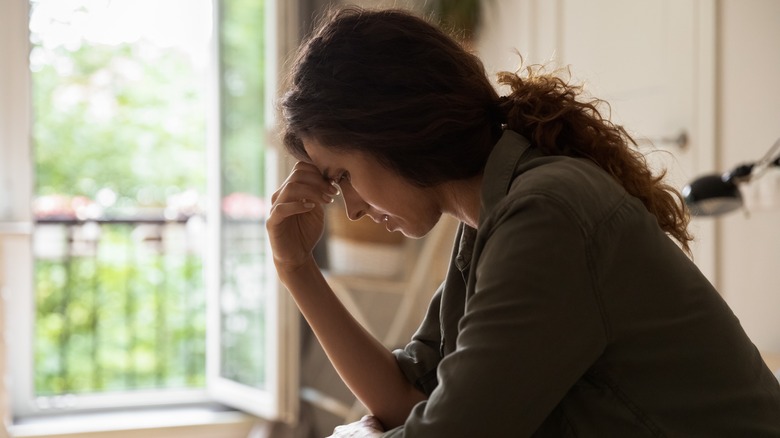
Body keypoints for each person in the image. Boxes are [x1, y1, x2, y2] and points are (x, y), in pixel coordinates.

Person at [267, 7, 780, 437]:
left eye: (345, 176)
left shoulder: (545, 214)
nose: (351, 208)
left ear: (393, 131)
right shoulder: (488, 222)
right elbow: (410, 397)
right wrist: (296, 268)